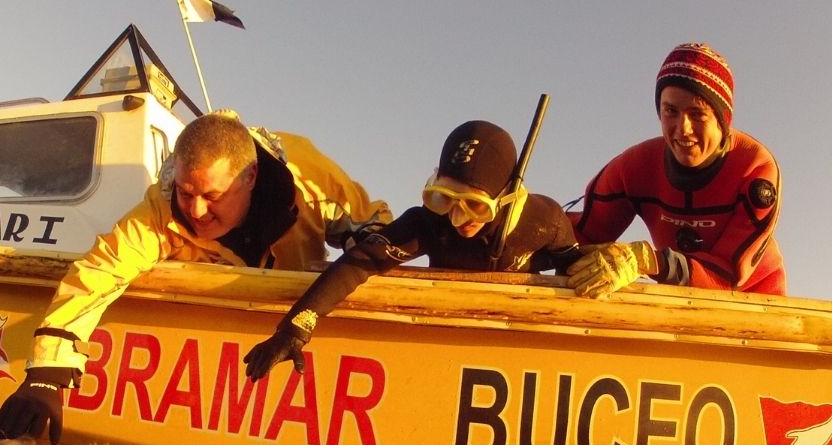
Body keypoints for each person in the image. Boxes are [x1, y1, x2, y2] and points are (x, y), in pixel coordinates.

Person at [0, 111, 390, 443]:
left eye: (212, 197)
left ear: (250, 177)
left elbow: (379, 234)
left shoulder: (313, 180)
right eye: (186, 192)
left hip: (293, 343)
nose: (196, 211)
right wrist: (47, 371)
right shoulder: (160, 209)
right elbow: (102, 269)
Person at [243, 120, 580, 381]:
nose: (457, 218)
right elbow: (359, 263)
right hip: (445, 350)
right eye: (444, 199)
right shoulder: (429, 224)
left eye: (475, 206)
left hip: (512, 358)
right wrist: (294, 329)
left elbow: (577, 279)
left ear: (507, 196)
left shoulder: (544, 221)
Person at [567, 42, 785, 299]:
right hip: (679, 300)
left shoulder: (755, 170)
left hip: (757, 305)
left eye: (697, 114)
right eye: (671, 111)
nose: (683, 129)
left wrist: (645, 260)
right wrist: (531, 225)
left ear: (722, 121)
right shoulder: (634, 168)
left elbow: (726, 276)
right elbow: (582, 235)